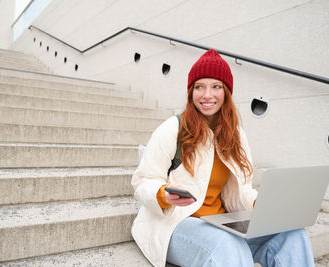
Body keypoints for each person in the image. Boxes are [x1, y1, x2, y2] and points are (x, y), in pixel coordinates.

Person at [131, 49, 315, 267]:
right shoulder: (173, 128)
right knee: (226, 243)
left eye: (216, 86)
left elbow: (241, 191)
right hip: (176, 223)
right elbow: (143, 181)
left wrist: (259, 202)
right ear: (191, 92)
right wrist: (162, 194)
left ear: (226, 92)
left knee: (292, 234)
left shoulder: (235, 134)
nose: (207, 95)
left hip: (221, 222)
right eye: (199, 87)